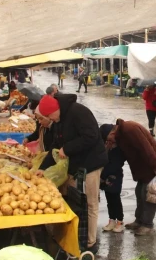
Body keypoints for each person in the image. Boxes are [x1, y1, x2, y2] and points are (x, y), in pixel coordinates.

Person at [37, 94, 108, 251]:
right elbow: (55, 145)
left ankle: (91, 243)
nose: (50, 119)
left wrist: (67, 148)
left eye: (49, 116)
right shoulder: (59, 120)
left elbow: (91, 136)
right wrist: (42, 167)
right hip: (77, 166)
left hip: (91, 163)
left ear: (55, 109)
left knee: (90, 203)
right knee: (77, 201)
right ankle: (76, 237)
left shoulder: (78, 112)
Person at [106, 119, 156, 236]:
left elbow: (146, 148)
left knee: (149, 194)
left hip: (153, 166)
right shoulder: (121, 135)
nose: (110, 143)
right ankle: (139, 221)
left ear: (112, 133)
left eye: (108, 140)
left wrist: (155, 166)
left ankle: (147, 224)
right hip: (144, 168)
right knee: (139, 192)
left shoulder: (129, 129)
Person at [100, 124, 127, 233]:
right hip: (106, 180)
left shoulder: (119, 148)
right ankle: (112, 220)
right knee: (109, 200)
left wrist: (103, 174)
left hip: (115, 178)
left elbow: (115, 164)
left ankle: (120, 221)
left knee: (116, 199)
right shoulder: (107, 147)